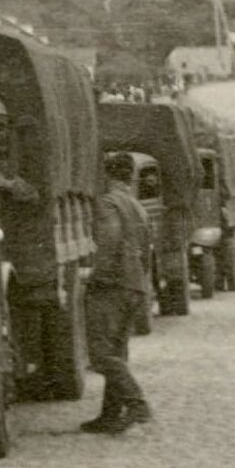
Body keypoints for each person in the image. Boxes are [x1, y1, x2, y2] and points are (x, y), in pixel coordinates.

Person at [81, 153, 153, 434]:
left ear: (106, 175)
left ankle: (137, 403)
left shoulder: (108, 202)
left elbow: (108, 242)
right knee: (117, 353)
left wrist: (96, 276)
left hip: (112, 286)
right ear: (131, 177)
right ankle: (110, 415)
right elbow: (147, 249)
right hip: (135, 285)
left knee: (100, 355)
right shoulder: (137, 206)